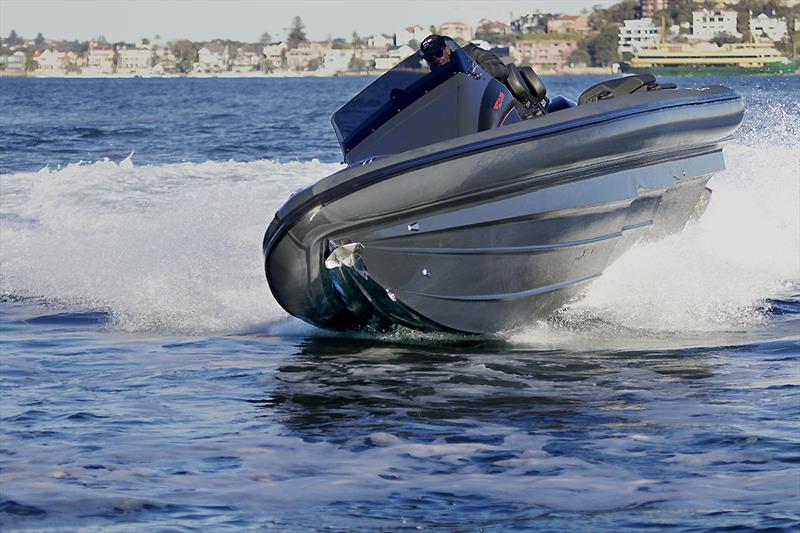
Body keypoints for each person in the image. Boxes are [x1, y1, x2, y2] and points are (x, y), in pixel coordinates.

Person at [420, 34, 508, 81]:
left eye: (438, 53)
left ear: (447, 49)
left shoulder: (470, 52)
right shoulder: (435, 77)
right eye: (430, 58)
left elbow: (502, 69)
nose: (437, 60)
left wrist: (476, 70)